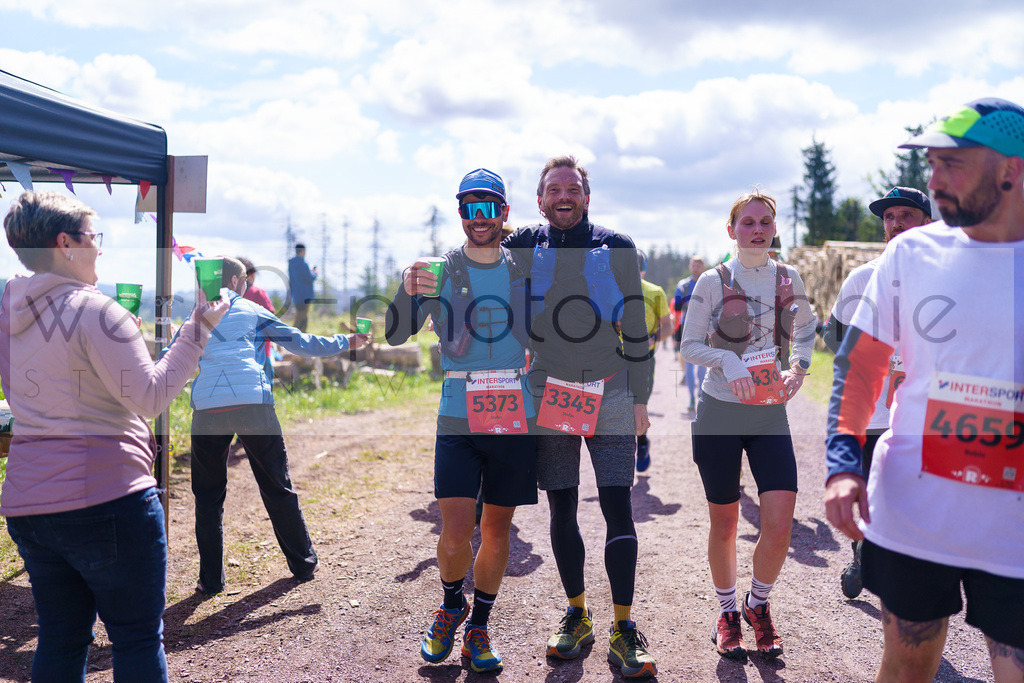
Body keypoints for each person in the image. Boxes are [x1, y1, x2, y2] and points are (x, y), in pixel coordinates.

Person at [825, 97, 1024, 682]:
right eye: (930, 164)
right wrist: (842, 464)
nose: (932, 181)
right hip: (914, 510)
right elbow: (858, 368)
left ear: (1011, 168)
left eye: (952, 165)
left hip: (1015, 526)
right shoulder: (912, 253)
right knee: (908, 667)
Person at [0, 191, 228, 681]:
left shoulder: (7, 309)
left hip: (29, 505)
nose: (99, 249)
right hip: (106, 499)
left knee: (60, 639)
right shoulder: (96, 311)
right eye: (93, 237)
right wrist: (199, 329)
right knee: (137, 638)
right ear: (65, 244)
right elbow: (150, 397)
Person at [503, 155, 657, 679]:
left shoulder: (617, 247)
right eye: (554, 189)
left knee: (618, 507)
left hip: (611, 391)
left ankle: (623, 625)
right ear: (540, 199)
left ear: (587, 197)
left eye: (573, 188)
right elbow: (476, 252)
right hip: (551, 392)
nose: (563, 196)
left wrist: (641, 400)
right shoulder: (522, 244)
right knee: (562, 508)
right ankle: (577, 613)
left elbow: (636, 327)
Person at [385, 168, 537, 674]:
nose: (480, 217)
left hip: (514, 414)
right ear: (460, 214)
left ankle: (480, 626)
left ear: (504, 213)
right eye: (470, 208)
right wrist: (407, 291)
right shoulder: (440, 269)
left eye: (489, 207)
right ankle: (452, 605)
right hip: (457, 415)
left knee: (496, 528)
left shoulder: (525, 268)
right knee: (454, 531)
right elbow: (395, 334)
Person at [680, 189, 817, 662]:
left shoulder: (788, 277)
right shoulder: (713, 282)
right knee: (726, 522)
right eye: (748, 222)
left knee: (779, 524)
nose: (757, 229)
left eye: (765, 222)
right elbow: (689, 345)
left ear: (774, 228)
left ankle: (758, 605)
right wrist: (728, 362)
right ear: (732, 230)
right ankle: (727, 614)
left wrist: (798, 368)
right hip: (719, 412)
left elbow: (804, 331)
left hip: (768, 414)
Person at [180, 257, 369, 594]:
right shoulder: (252, 311)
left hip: (207, 410)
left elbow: (171, 358)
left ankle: (210, 581)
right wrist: (346, 342)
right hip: (253, 404)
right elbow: (301, 341)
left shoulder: (196, 318)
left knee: (207, 497)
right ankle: (302, 564)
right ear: (239, 281)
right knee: (277, 486)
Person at [820, 186, 932, 599]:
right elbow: (833, 333)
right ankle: (862, 552)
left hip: (922, 419)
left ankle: (904, 573)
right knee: (868, 497)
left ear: (926, 221)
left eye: (906, 214)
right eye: (889, 216)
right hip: (873, 416)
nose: (896, 222)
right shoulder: (863, 277)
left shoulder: (944, 278)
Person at [636, 250, 670, 472]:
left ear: (643, 269)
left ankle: (641, 442)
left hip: (644, 359)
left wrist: (652, 338)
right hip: (613, 360)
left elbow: (668, 327)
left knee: (639, 404)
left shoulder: (655, 292)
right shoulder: (611, 292)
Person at [673, 256, 707, 412]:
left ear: (703, 267)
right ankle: (691, 398)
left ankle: (700, 394)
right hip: (687, 328)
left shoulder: (709, 282)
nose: (696, 267)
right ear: (690, 266)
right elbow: (677, 306)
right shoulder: (684, 284)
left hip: (706, 328)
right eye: (694, 265)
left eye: (699, 265)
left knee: (702, 363)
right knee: (688, 363)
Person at [239, 256, 277, 382]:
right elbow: (271, 319)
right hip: (261, 349)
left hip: (238, 352)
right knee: (265, 385)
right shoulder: (258, 293)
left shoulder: (229, 296)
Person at [288, 242, 317, 332]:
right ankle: (293, 336)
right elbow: (309, 278)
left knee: (301, 316)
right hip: (306, 295)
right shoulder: (303, 264)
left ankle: (301, 336)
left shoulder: (291, 264)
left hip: (296, 295)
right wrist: (314, 273)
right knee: (302, 317)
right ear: (303, 251)